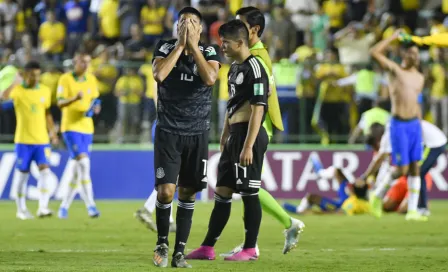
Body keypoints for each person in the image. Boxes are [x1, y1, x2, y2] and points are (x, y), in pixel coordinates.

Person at [222, 6, 304, 257]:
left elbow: (262, 96)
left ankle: (285, 225)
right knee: (247, 186)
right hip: (248, 126)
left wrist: (249, 138)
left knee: (250, 187)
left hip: (256, 127)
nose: (236, 29)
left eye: (241, 25)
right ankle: (253, 242)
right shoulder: (251, 55)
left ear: (254, 30)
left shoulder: (257, 58)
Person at [186, 19, 269, 262]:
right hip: (234, 135)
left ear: (241, 42)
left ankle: (251, 248)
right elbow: (233, 105)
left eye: (226, 42)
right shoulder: (233, 68)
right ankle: (207, 247)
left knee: (249, 192)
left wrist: (248, 145)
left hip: (248, 136)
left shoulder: (256, 68)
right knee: (222, 191)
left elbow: (258, 110)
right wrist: (225, 133)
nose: (222, 46)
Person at [151, 7, 220, 268]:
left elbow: (211, 78)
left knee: (188, 193)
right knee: (166, 191)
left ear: (200, 29)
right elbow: (159, 75)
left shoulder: (210, 51)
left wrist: (194, 47)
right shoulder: (164, 47)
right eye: (183, 22)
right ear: (176, 26)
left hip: (197, 132)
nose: (188, 25)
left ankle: (180, 251)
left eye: (193, 22)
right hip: (168, 131)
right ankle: (161, 243)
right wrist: (181, 46)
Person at [368, 29, 425, 221]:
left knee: (415, 166)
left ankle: (413, 211)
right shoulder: (395, 70)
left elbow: (416, 102)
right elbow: (374, 53)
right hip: (398, 125)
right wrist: (392, 38)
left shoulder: (419, 77)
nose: (414, 57)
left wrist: (420, 123)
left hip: (414, 125)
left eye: (416, 54)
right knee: (401, 170)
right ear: (403, 54)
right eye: (410, 53)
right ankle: (376, 196)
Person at [360, 121, 447, 217]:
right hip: (425, 142)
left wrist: (365, 177)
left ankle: (421, 207)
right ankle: (418, 206)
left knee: (419, 172)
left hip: (434, 142)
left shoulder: (390, 133)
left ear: (378, 139)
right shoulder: (393, 130)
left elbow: (380, 158)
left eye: (374, 146)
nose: (375, 149)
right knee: (412, 172)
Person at [7, 61, 58, 220]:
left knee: (45, 171)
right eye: (32, 75)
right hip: (23, 141)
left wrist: (53, 132)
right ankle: (21, 209)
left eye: (38, 75)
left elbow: (47, 112)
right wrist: (15, 81)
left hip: (42, 140)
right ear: (26, 74)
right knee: (22, 175)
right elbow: (2, 96)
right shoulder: (18, 91)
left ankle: (43, 207)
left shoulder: (45, 90)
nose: (35, 78)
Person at [57, 51, 101, 219]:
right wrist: (74, 98)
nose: (86, 65)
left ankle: (63, 206)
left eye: (88, 62)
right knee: (83, 164)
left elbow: (96, 100)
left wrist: (96, 108)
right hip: (70, 128)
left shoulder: (91, 79)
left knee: (77, 170)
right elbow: (60, 102)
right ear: (75, 62)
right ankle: (91, 205)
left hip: (87, 129)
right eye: (83, 62)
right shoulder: (65, 79)